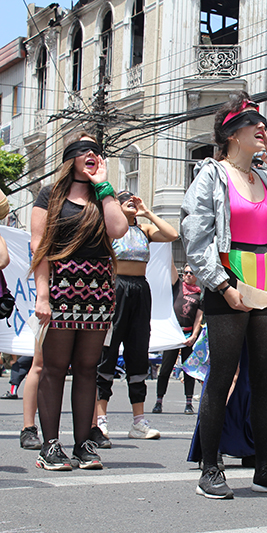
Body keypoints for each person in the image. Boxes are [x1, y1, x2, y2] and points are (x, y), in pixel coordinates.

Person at [181, 91, 267, 498]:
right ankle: (211, 468)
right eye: (252, 123)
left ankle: (264, 465)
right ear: (231, 133)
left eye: (261, 123)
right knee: (221, 375)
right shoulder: (211, 174)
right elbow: (196, 235)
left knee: (265, 380)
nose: (261, 129)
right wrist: (222, 286)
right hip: (229, 280)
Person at [31, 131, 128, 470]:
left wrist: (103, 187)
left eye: (96, 151)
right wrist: (43, 294)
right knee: (55, 369)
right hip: (62, 287)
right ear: (70, 156)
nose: (91, 154)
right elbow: (39, 247)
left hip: (98, 290)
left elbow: (118, 230)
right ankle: (50, 446)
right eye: (84, 149)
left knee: (88, 369)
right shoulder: (50, 196)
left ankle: (83, 445)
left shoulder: (105, 195)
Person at [95, 191, 178, 443]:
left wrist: (148, 213)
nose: (132, 200)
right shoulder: (109, 229)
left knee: (138, 352)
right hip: (116, 288)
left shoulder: (144, 230)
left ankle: (138, 421)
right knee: (107, 353)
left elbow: (172, 235)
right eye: (125, 199)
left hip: (140, 290)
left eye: (135, 198)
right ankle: (100, 420)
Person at [153, 263, 204, 415]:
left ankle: (188, 403)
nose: (188, 275)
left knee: (188, 371)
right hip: (173, 335)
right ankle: (158, 401)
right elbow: (170, 266)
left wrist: (194, 336)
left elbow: (198, 318)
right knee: (165, 369)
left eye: (192, 272)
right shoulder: (176, 287)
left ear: (196, 276)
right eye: (186, 272)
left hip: (188, 335)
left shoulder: (199, 294)